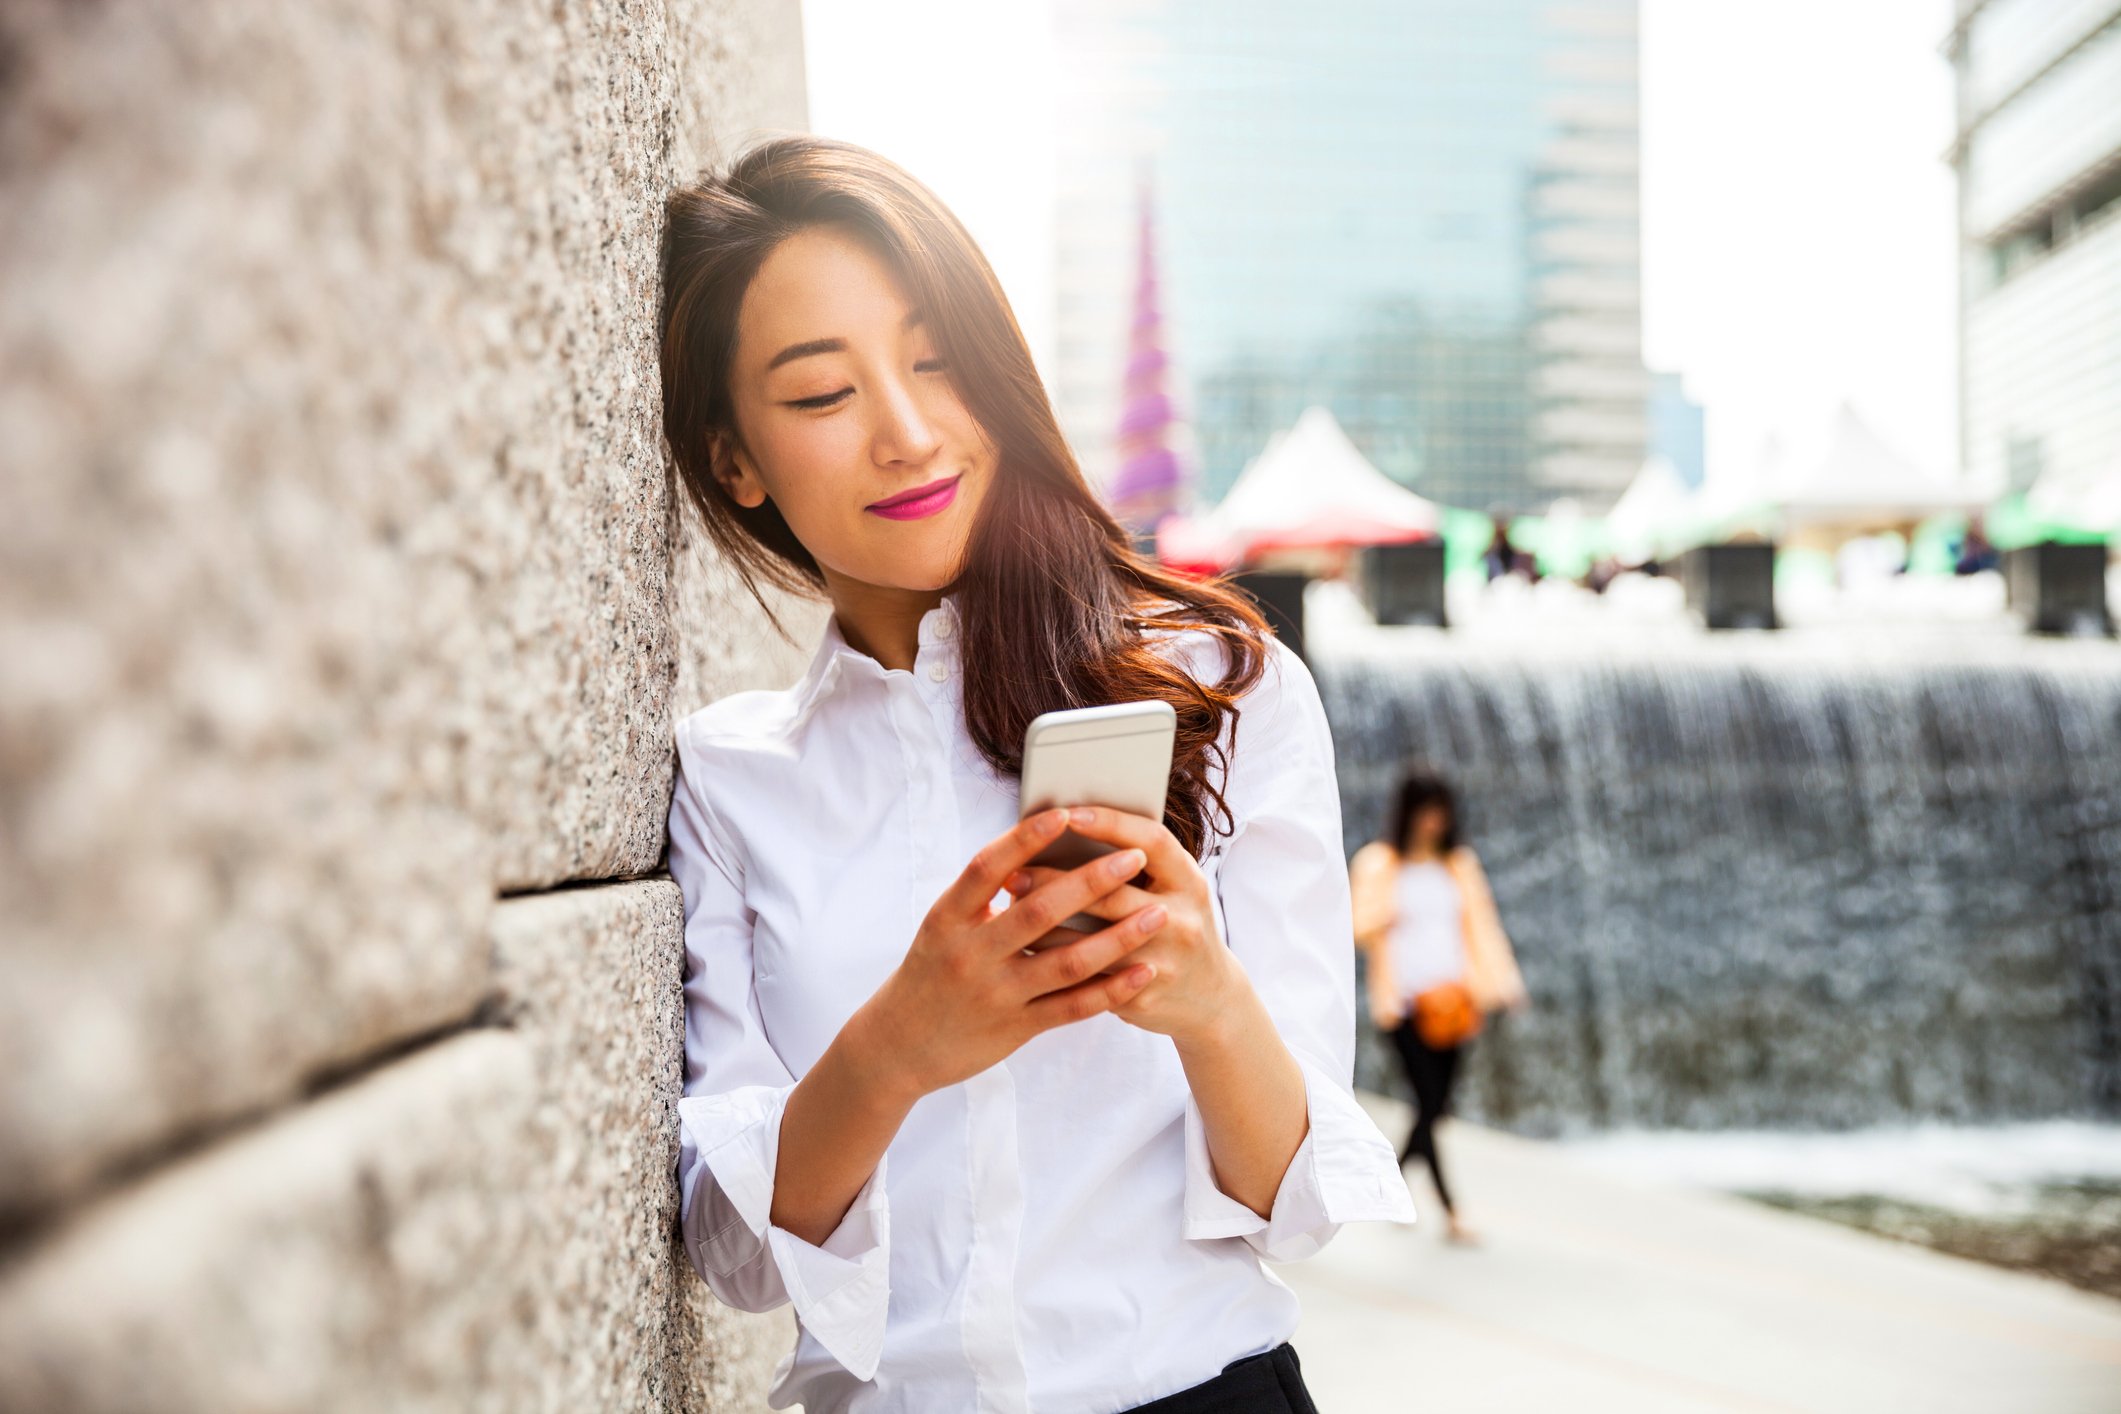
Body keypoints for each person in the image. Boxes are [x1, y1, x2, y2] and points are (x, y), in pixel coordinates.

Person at [658, 135, 1414, 1414]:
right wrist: (902, 1040)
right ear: (737, 459)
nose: (907, 434)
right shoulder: (732, 781)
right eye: (822, 394)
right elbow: (730, 1256)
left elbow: (1302, 1202)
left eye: (934, 359)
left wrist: (1205, 999)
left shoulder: (1221, 688)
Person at [1347, 767, 1527, 1245]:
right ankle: (1450, 1211)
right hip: (1403, 1007)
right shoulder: (1378, 864)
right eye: (1427, 811)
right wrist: (1385, 915)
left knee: (1435, 1108)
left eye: (1440, 812)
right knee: (1429, 1103)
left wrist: (1504, 984)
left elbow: (1484, 928)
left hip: (1456, 1001)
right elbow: (1353, 925)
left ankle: (1395, 1186)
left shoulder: (1459, 865)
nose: (1434, 822)